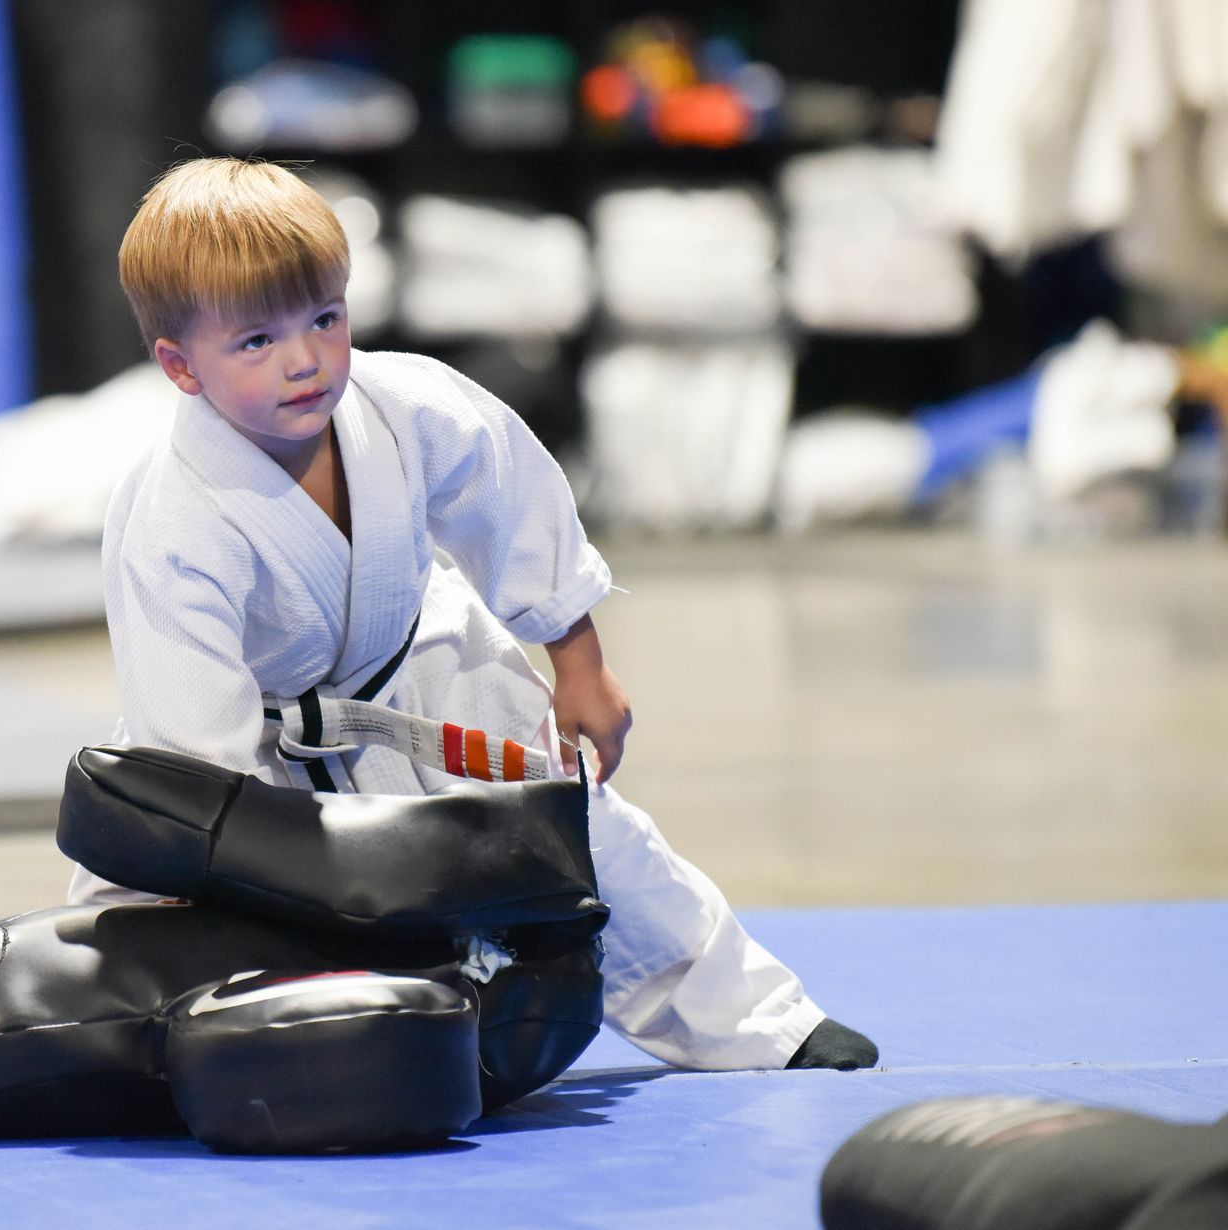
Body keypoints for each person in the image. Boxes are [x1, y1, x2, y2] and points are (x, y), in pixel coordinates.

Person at [74, 157, 875, 1072]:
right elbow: (193, 760)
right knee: (197, 956)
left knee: (584, 830)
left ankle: (758, 1022)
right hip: (252, 771)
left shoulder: (405, 403)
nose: (304, 360)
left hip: (427, 665)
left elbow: (516, 508)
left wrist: (579, 666)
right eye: (256, 341)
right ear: (179, 366)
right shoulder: (172, 521)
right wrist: (219, 863)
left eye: (325, 319)